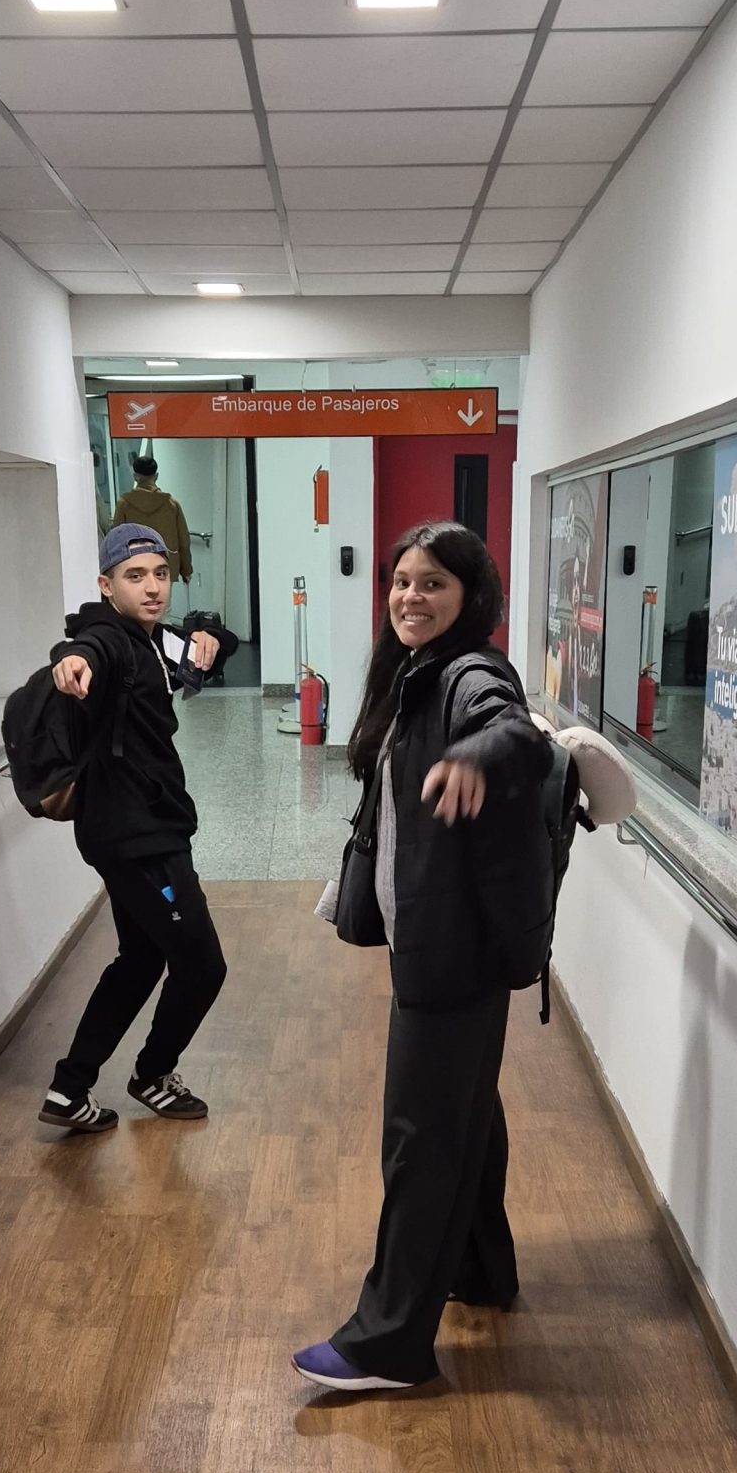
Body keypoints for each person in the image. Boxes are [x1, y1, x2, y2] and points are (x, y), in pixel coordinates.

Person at [293, 522, 552, 1393]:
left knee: (421, 1139)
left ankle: (389, 1344)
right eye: (402, 581)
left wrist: (477, 753)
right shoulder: (417, 670)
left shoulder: (470, 674)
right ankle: (481, 1270)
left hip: (454, 949)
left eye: (433, 583)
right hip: (441, 940)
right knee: (462, 1113)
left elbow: (517, 733)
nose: (411, 596)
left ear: (470, 596)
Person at [38, 523, 226, 1134]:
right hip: (137, 839)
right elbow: (82, 651)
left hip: (141, 827)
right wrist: (70, 663)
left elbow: (204, 652)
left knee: (141, 959)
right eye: (135, 576)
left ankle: (69, 1090)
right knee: (202, 965)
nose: (152, 588)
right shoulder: (108, 641)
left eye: (160, 575)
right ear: (106, 584)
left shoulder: (151, 640)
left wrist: (210, 638)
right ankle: (152, 1074)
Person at [113, 452, 193, 598]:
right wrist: (186, 570)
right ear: (156, 476)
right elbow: (183, 541)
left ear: (135, 476)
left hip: (134, 566)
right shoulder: (171, 504)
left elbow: (116, 541)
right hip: (164, 564)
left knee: (137, 605)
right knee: (162, 606)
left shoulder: (124, 504)